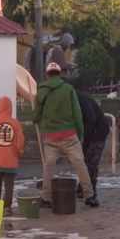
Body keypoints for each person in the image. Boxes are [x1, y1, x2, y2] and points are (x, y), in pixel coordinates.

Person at [33, 62, 95, 207]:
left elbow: (36, 116)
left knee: (48, 166)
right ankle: (89, 195)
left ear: (47, 74)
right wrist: (79, 134)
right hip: (69, 135)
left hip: (50, 136)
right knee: (80, 164)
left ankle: (46, 197)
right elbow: (77, 114)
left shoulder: (41, 91)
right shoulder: (68, 89)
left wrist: (37, 119)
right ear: (59, 74)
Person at [0, 96, 26, 221]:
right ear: (10, 108)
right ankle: (7, 208)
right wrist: (19, 152)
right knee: (9, 187)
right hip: (10, 161)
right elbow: (20, 141)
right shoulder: (15, 123)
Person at [78, 90, 111, 208]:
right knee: (85, 161)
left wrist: (86, 139)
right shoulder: (77, 97)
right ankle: (82, 189)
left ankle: (91, 194)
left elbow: (91, 119)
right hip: (91, 131)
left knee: (91, 162)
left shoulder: (81, 98)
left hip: (98, 132)